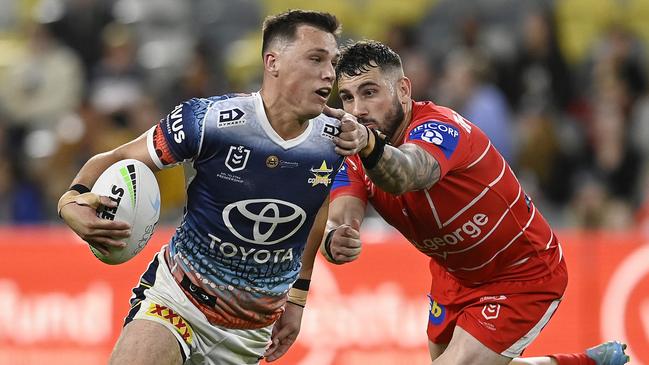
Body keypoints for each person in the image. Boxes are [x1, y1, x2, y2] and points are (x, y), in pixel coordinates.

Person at [57, 10, 366, 365]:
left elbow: (316, 206)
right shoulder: (211, 121)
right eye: (316, 59)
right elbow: (119, 156)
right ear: (273, 62)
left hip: (251, 333)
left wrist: (297, 298)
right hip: (178, 300)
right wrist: (71, 199)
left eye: (332, 62)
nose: (329, 73)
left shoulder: (337, 138)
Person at [324, 40, 630, 365]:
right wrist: (334, 238)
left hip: (521, 272)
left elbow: (405, 174)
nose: (357, 109)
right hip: (453, 275)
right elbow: (341, 215)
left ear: (403, 90)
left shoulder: (440, 128)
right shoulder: (356, 151)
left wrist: (369, 145)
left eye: (369, 93)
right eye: (347, 97)